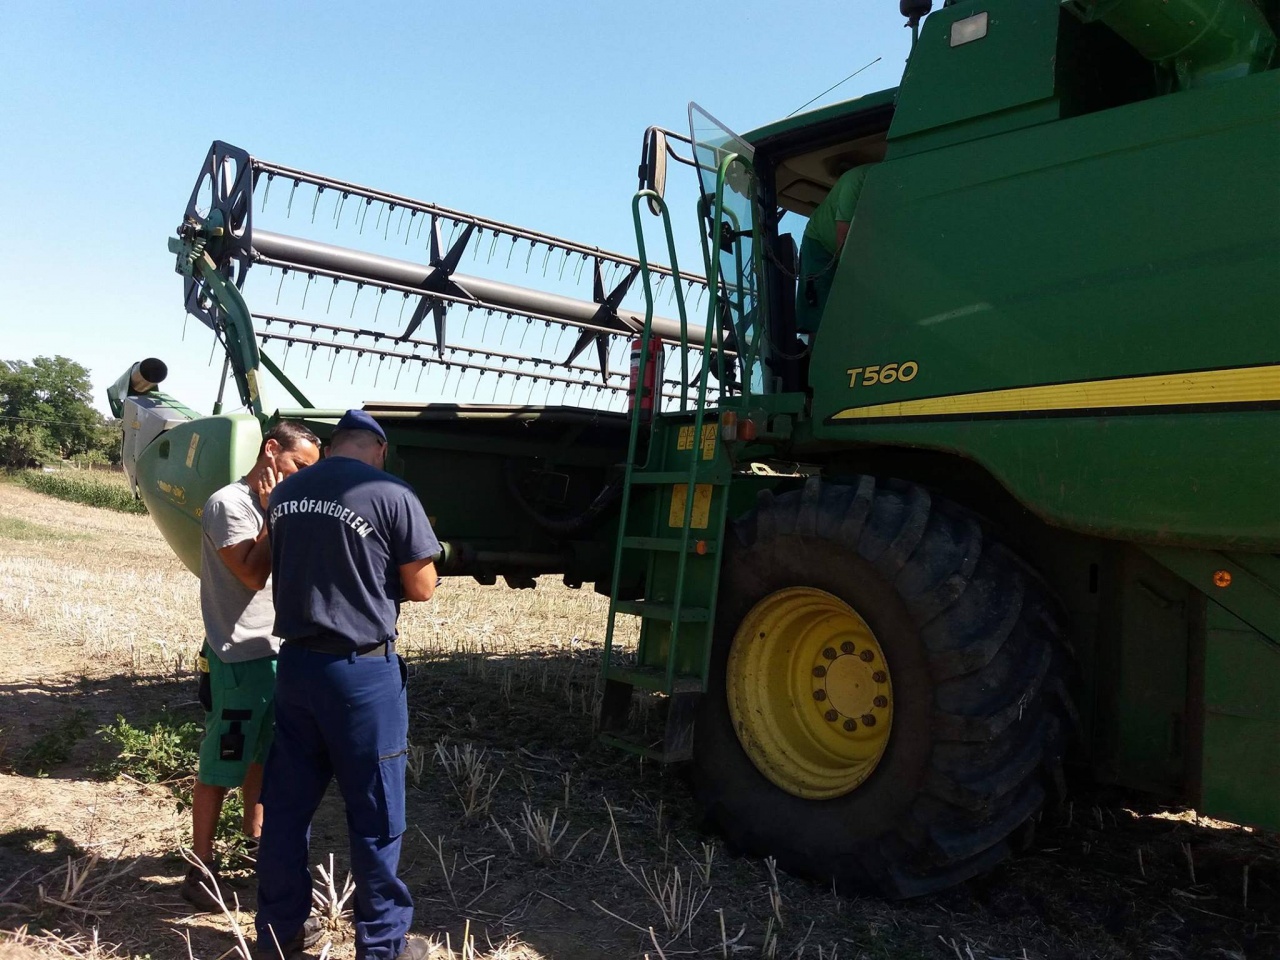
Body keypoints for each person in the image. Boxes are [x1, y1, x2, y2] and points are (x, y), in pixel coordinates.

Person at [255, 410, 440, 960]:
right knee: (377, 816)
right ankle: (381, 945)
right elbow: (422, 586)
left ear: (334, 447)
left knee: (286, 809)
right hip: (361, 676)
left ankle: (281, 931)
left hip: (295, 669)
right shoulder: (390, 491)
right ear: (378, 450)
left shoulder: (286, 494)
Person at [180, 421, 321, 910]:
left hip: (278, 653)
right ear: (270, 450)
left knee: (262, 757)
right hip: (240, 656)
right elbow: (252, 573)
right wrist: (271, 514)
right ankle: (199, 868)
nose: (302, 476)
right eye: (298, 466)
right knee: (222, 764)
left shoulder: (280, 505)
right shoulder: (230, 505)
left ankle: (255, 844)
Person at [795, 164, 870, 336]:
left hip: (860, 247)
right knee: (820, 311)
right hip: (820, 244)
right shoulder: (856, 181)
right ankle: (816, 352)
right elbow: (843, 237)